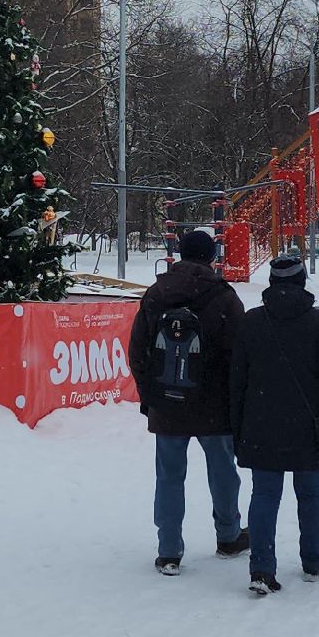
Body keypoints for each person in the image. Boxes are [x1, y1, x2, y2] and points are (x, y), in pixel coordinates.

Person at [230, 254, 319, 596]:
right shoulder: (318, 325)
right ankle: (312, 562)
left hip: (261, 426)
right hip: (310, 427)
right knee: (311, 494)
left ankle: (261, 568)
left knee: (264, 495)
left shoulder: (251, 323)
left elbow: (236, 384)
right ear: (303, 282)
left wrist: (237, 430)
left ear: (272, 284)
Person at [127, 229, 249, 576]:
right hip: (213, 404)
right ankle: (228, 536)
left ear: (179, 254)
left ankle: (168, 550)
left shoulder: (156, 294)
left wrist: (150, 396)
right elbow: (239, 354)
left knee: (168, 476)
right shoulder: (224, 297)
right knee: (223, 471)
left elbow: (137, 350)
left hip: (167, 401)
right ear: (211, 257)